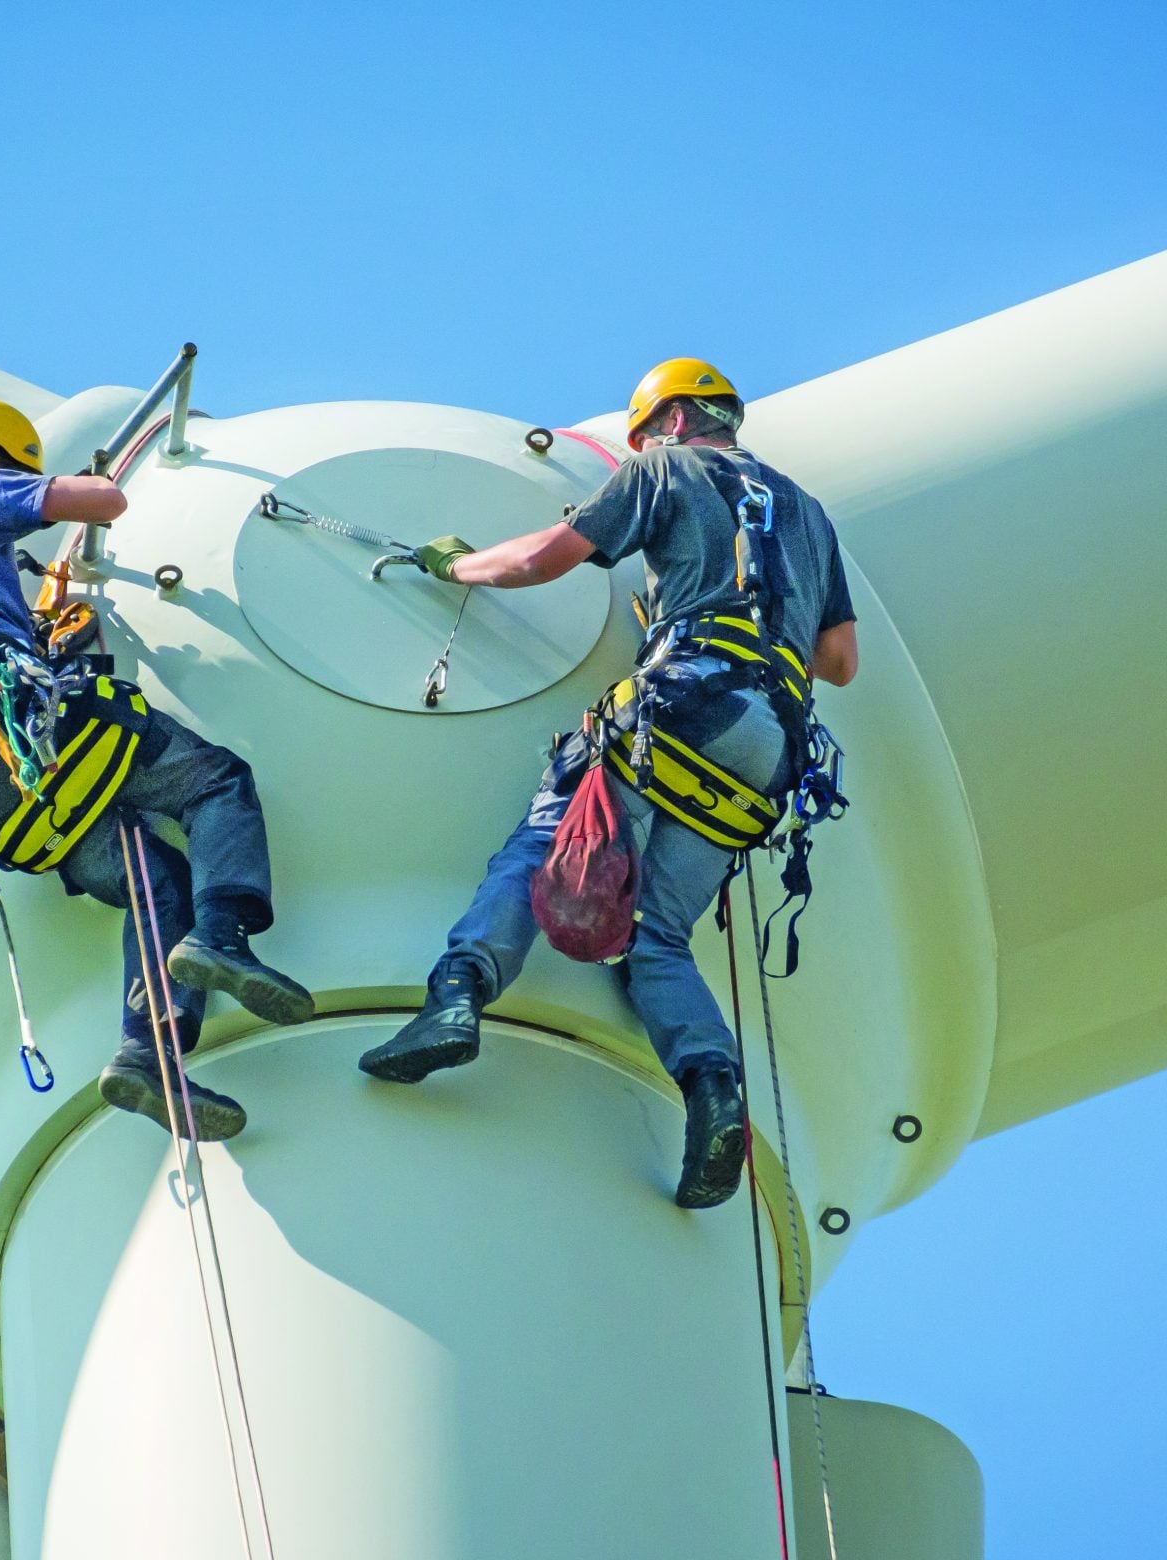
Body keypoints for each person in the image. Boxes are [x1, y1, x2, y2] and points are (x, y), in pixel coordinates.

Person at [356, 360, 860, 1207]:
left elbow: (544, 561)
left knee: (545, 846)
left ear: (666, 421)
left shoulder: (664, 469)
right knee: (656, 934)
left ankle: (456, 998)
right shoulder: (807, 515)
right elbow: (839, 662)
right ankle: (713, 1090)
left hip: (684, 701)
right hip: (769, 751)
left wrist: (457, 567)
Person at [0, 397, 312, 1139]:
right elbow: (101, 499)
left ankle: (147, 1055)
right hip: (18, 726)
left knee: (154, 880)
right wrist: (75, 487)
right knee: (215, 781)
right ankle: (223, 935)